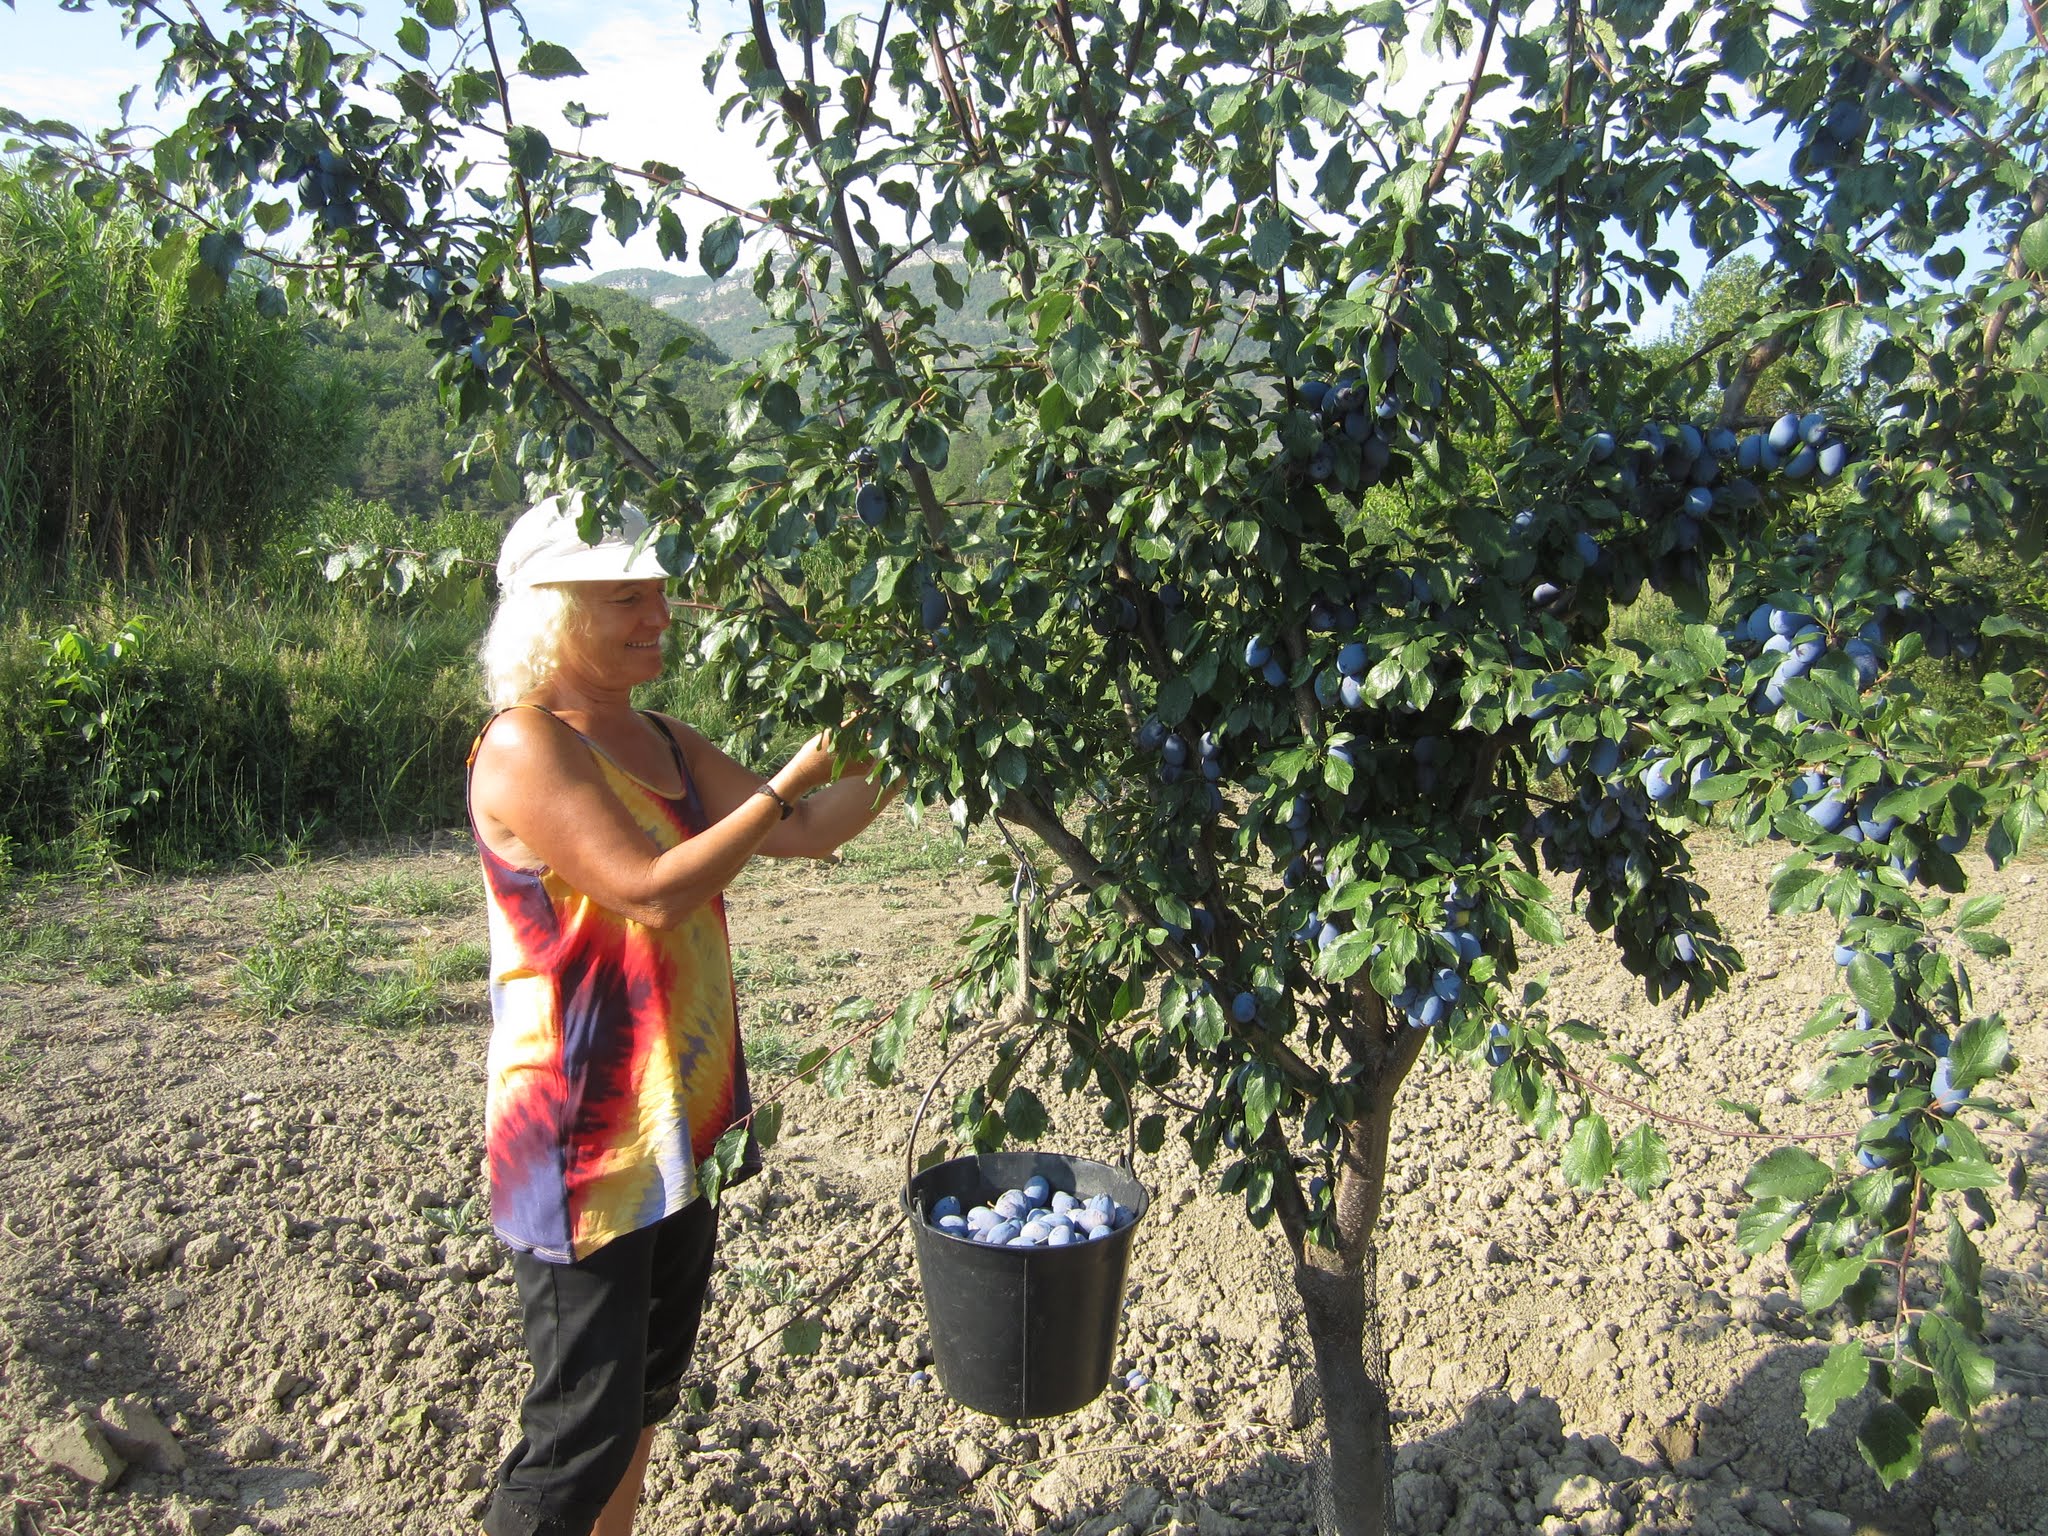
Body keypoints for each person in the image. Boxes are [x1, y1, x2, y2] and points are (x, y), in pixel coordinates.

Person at [465, 492, 898, 1536]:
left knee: (641, 1399)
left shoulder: (663, 736)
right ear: (551, 611)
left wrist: (911, 735)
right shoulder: (526, 746)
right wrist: (785, 781)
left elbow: (807, 830)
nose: (658, 614)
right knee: (577, 1437)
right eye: (627, 597)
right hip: (581, 1138)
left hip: (674, 1124)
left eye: (658, 591)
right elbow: (651, 890)